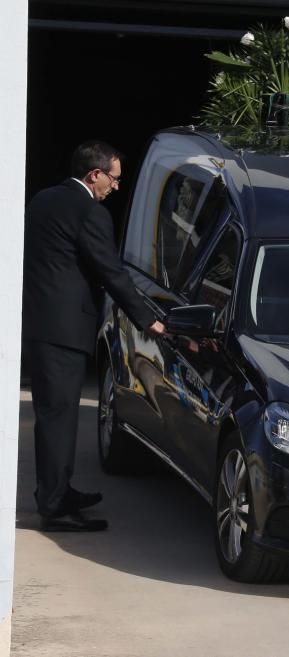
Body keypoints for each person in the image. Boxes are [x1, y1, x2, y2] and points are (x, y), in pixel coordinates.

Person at [23, 140, 166, 532]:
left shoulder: (42, 201)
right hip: (64, 330)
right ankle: (53, 506)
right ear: (95, 174)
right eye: (115, 179)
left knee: (56, 416)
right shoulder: (89, 212)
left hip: (40, 324)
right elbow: (110, 271)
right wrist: (146, 319)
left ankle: (59, 491)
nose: (116, 187)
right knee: (58, 418)